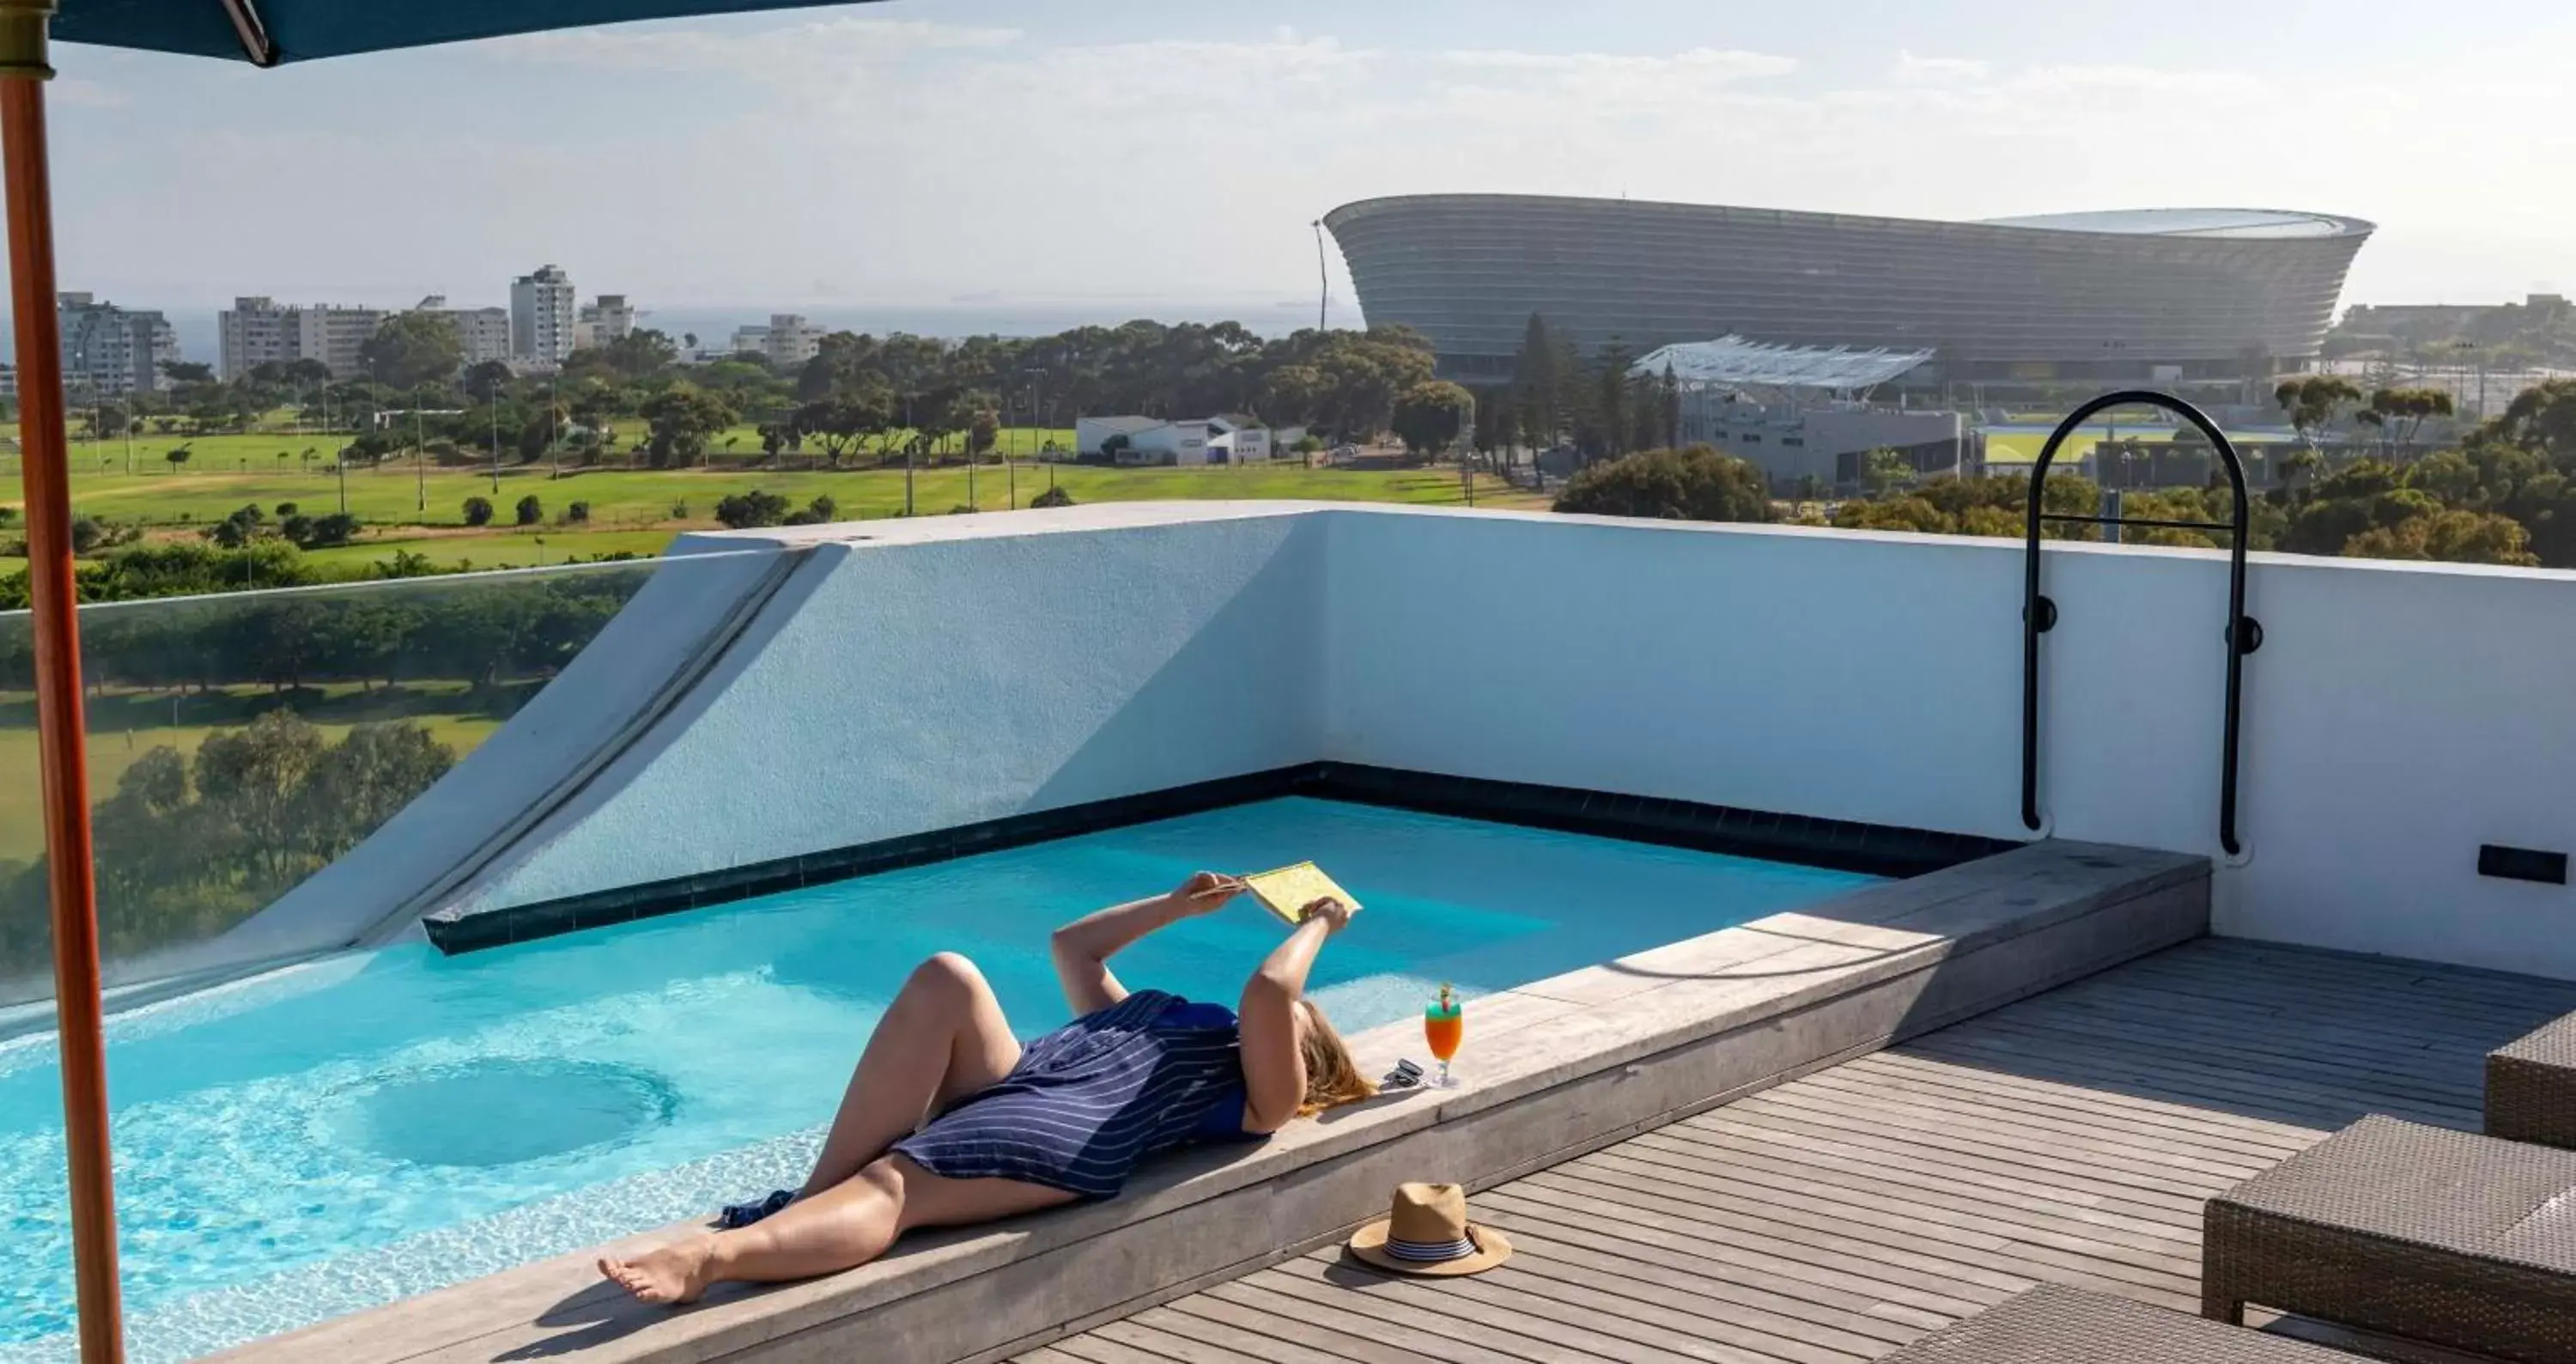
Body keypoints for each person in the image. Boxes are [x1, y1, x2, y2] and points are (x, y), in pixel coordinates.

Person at [598, 871, 1373, 1304]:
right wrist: (1177, 905)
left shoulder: (1257, 1101)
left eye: (1302, 1029)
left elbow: (1269, 992)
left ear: (1308, 1065)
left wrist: (1319, 925)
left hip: (1069, 1129)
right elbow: (1074, 949)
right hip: (1028, 1079)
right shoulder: (1157, 1029)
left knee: (896, 1184)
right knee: (947, 976)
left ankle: (716, 1258)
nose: (1287, 1016)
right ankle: (811, 1205)